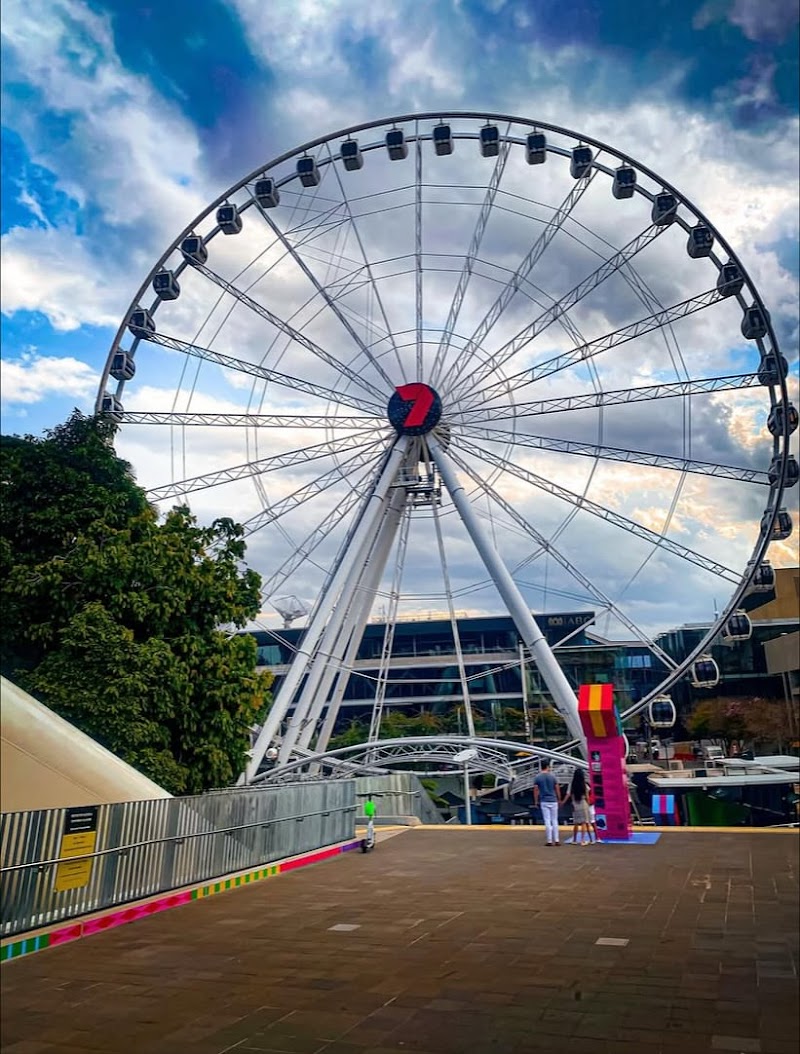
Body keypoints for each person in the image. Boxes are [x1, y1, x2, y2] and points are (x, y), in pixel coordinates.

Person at [533, 760, 562, 846]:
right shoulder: (553, 777)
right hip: (553, 800)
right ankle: (557, 840)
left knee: (547, 821)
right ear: (548, 767)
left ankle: (549, 840)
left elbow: (536, 790)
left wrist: (536, 801)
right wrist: (559, 798)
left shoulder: (537, 777)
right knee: (555, 820)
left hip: (544, 800)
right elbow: (557, 788)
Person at [562, 767, 593, 845]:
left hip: (575, 804)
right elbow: (587, 795)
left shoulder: (571, 785)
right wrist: (589, 804)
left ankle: (574, 840)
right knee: (584, 822)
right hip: (583, 803)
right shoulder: (584, 785)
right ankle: (582, 840)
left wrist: (563, 802)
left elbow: (568, 794)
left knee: (576, 822)